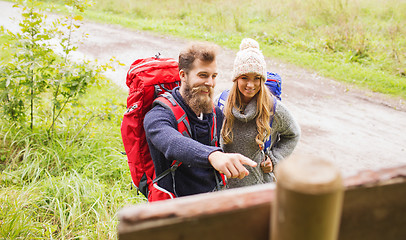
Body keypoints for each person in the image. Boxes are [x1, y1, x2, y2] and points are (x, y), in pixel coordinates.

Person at [143, 42, 257, 198]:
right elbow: (172, 142)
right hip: (173, 210)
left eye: (213, 76)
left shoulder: (215, 113)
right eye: (203, 75)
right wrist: (213, 156)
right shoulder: (159, 114)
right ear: (183, 75)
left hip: (211, 204)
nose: (210, 83)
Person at [220, 38, 301, 188]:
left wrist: (275, 159)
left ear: (262, 80)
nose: (250, 85)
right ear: (236, 78)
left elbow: (293, 134)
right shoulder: (221, 103)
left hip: (258, 187)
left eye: (256, 78)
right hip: (223, 187)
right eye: (244, 77)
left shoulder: (273, 108)